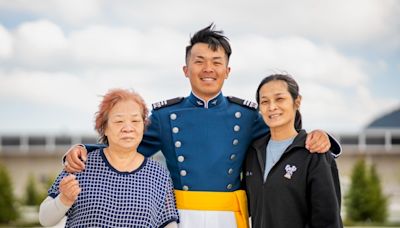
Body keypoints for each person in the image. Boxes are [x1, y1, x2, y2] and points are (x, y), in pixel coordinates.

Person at [63, 24, 341, 228]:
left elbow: (283, 132)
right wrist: (82, 150)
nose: (208, 68)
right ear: (186, 70)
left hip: (230, 216)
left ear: (227, 71)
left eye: (216, 62)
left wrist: (321, 136)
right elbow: (123, 145)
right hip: (181, 216)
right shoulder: (164, 116)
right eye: (199, 61)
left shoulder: (247, 115)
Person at [39, 89, 179, 227]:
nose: (128, 128)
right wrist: (64, 199)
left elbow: (168, 223)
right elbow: (45, 219)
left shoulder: (158, 174)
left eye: (135, 120)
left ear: (143, 126)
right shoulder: (81, 165)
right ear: (104, 127)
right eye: (119, 121)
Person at [243, 74, 342, 227]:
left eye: (279, 99)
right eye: (264, 102)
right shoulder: (253, 153)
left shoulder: (314, 152)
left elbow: (328, 220)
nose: (272, 107)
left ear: (297, 102)